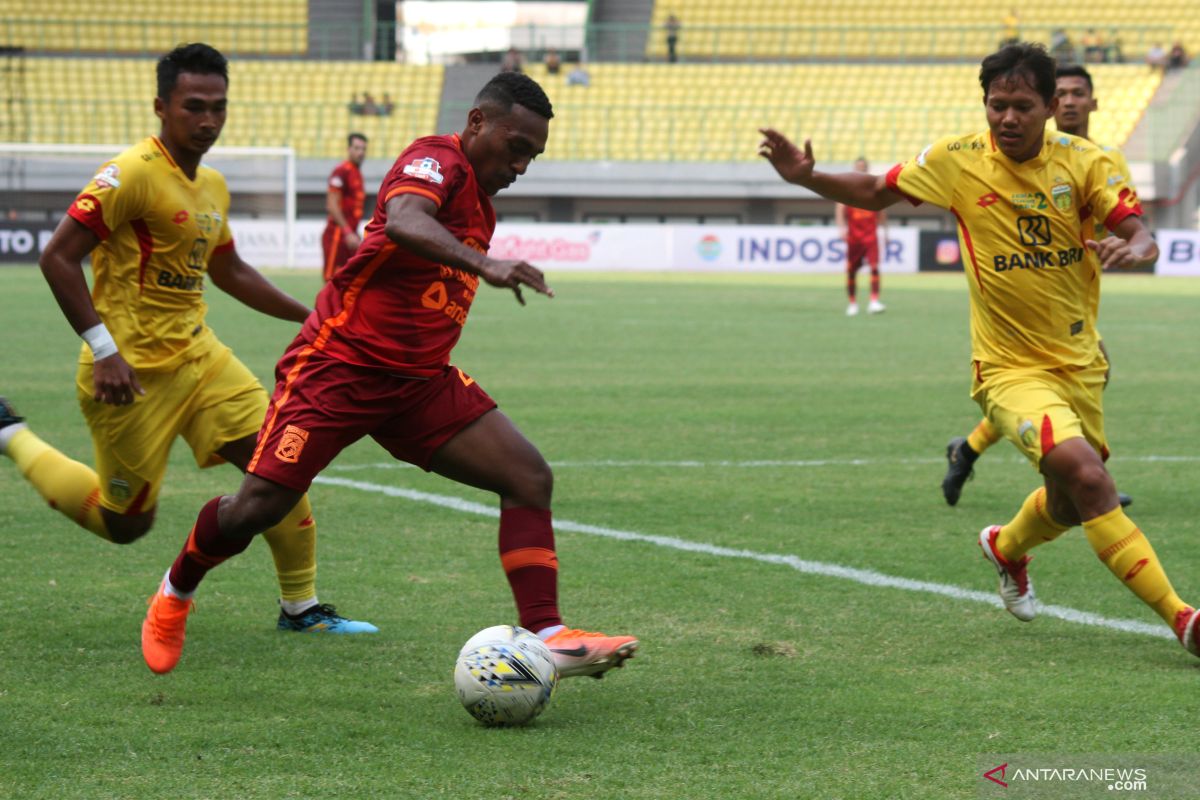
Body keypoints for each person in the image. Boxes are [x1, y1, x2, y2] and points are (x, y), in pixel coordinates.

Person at [140, 71, 639, 677]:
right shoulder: (436, 158)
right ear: (478, 121)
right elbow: (405, 219)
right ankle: (176, 591)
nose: (522, 165)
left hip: (418, 384)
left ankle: (549, 632)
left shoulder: (484, 201)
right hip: (338, 369)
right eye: (516, 147)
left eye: (532, 155)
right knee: (258, 507)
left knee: (528, 476)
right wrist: (486, 264)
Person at [759, 43, 1200, 660]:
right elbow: (876, 189)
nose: (1008, 118)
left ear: (1050, 107)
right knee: (1090, 478)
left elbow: (1139, 231)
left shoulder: (1087, 162)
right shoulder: (956, 160)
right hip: (1007, 369)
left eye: (1023, 106)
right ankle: (1184, 620)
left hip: (1079, 363)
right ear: (985, 105)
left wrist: (1140, 249)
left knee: (1072, 505)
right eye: (998, 106)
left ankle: (1006, 545)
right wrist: (807, 177)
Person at [0, 43, 375, 634]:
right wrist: (104, 350)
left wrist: (314, 315)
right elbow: (57, 258)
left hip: (201, 359)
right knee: (125, 522)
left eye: (218, 107)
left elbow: (230, 272)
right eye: (193, 106)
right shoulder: (130, 175)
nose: (207, 120)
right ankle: (11, 433)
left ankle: (301, 609)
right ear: (161, 106)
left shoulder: (212, 186)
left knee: (279, 465)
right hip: (128, 374)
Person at [941, 65, 1136, 510]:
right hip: (1028, 305)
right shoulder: (1019, 154)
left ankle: (969, 449)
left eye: (1077, 94)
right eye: (1062, 93)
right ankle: (1088, 481)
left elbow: (1119, 222)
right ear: (1052, 104)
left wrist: (1127, 241)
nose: (1069, 101)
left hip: (1076, 300)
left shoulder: (1101, 160)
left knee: (1078, 379)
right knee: (1051, 382)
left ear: (1092, 103)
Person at [835, 157, 887, 316]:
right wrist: (841, 228)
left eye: (863, 167)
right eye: (858, 167)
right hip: (854, 237)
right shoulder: (848, 189)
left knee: (874, 267)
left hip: (871, 236)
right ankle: (852, 303)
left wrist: (885, 231)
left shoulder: (873, 188)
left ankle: (874, 301)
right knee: (851, 270)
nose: (860, 170)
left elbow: (883, 210)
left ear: (867, 169)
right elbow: (839, 209)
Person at [321, 133, 368, 283]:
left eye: (363, 149)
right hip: (337, 235)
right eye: (357, 148)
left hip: (350, 236)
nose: (360, 152)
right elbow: (332, 204)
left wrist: (353, 232)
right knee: (332, 281)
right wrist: (347, 231)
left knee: (348, 281)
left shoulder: (356, 173)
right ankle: (324, 307)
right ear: (349, 149)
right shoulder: (341, 171)